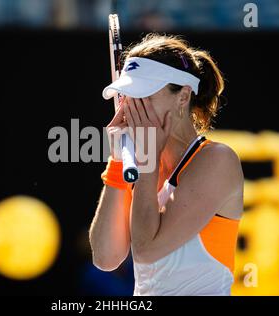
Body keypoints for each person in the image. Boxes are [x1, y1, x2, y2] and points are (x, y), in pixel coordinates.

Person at [89, 33, 244, 296]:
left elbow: (146, 250)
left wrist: (146, 159)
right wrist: (117, 160)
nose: (133, 106)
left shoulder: (218, 160)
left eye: (145, 96)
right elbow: (106, 258)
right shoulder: (140, 164)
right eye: (128, 95)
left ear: (183, 97)